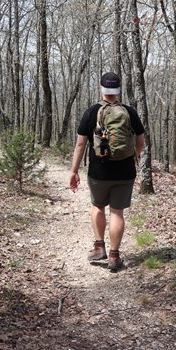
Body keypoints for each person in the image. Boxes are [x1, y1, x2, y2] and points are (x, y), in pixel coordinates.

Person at [69, 71, 145, 271]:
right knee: (117, 212)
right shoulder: (130, 112)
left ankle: (99, 247)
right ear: (118, 89)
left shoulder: (91, 112)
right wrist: (134, 156)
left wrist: (74, 171)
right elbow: (141, 141)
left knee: (98, 206)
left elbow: (80, 144)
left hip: (99, 171)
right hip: (125, 171)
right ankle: (114, 256)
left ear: (101, 88)